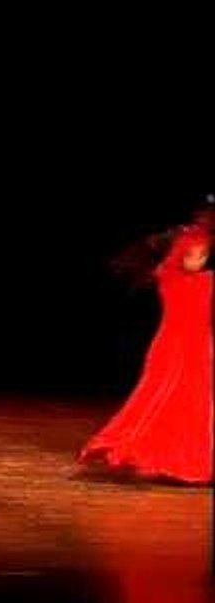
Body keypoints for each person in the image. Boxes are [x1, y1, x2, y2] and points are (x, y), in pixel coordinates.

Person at [79, 205, 213, 484]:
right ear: (180, 254)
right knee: (160, 400)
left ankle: (188, 460)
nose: (198, 260)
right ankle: (149, 453)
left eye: (203, 255)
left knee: (192, 404)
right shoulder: (175, 280)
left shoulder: (197, 280)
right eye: (193, 254)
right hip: (175, 348)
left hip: (196, 348)